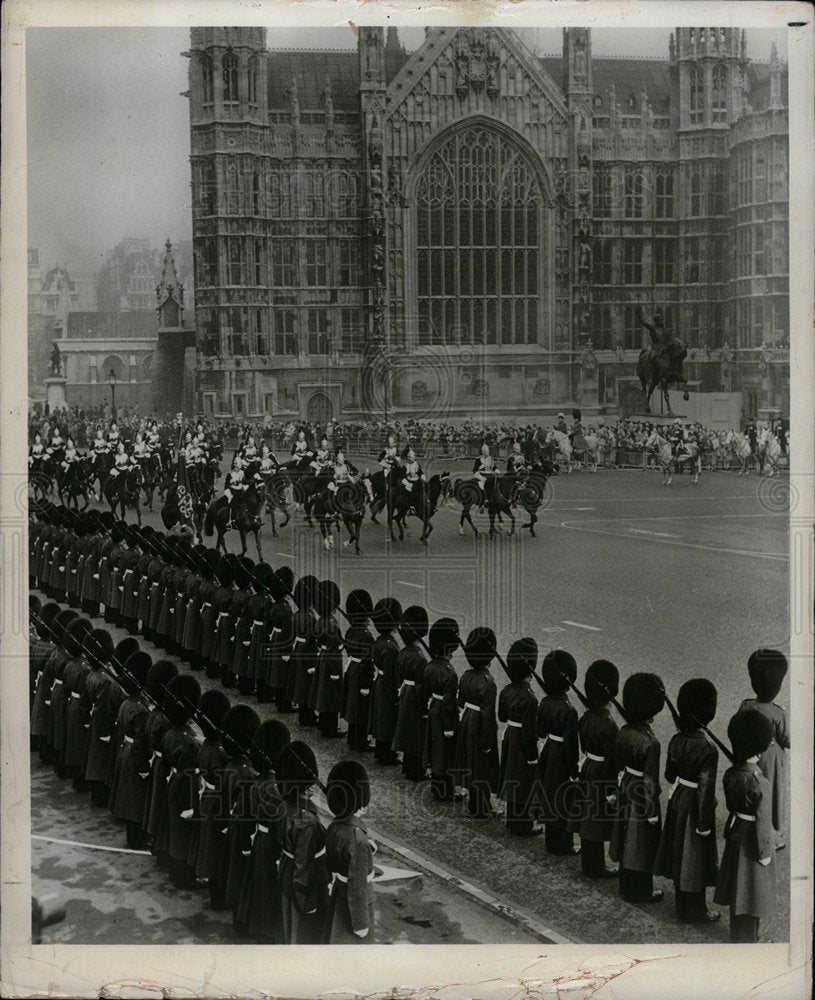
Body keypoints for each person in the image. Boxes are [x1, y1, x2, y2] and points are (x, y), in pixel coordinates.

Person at [654, 679, 721, 923]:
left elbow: (670, 775)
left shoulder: (676, 740)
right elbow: (706, 787)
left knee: (681, 852)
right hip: (695, 804)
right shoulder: (708, 748)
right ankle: (696, 910)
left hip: (679, 798)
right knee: (696, 858)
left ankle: (683, 905)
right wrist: (704, 823)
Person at [713, 709, 777, 943]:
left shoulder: (731, 774)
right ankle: (750, 940)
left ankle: (737, 935)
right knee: (753, 893)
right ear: (759, 750)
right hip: (752, 839)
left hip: (737, 831)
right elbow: (763, 823)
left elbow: (732, 805)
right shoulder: (761, 783)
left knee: (738, 889)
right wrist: (765, 853)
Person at [609, 672, 666, 904]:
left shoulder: (623, 733)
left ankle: (626, 885)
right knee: (642, 844)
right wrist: (652, 812)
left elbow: (616, 765)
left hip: (626, 787)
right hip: (642, 796)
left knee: (625, 837)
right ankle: (641, 891)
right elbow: (650, 781)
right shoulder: (651, 742)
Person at [277, 740, 331, 943]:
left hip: (286, 871)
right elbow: (304, 867)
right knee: (304, 932)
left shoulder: (286, 805)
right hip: (307, 883)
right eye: (309, 785)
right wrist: (307, 901)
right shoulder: (306, 819)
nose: (313, 788)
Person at [737, 649, 789, 851]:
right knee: (775, 794)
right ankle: (775, 834)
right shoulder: (778, 712)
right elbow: (787, 739)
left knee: (751, 788)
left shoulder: (746, 705)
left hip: (750, 755)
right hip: (773, 761)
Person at [574, 660, 620, 878]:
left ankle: (589, 863)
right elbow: (613, 759)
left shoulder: (586, 717)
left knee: (588, 817)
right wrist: (612, 788)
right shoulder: (609, 724)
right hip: (601, 773)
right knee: (598, 819)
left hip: (588, 766)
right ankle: (596, 867)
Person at [323, 759, 376, 943]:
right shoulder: (358, 841)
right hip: (356, 905)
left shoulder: (335, 826)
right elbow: (358, 887)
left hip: (338, 892)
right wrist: (361, 923)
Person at [535, 649, 580, 856]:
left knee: (549, 795)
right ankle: (564, 844)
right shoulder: (569, 709)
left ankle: (552, 842)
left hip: (548, 751)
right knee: (562, 800)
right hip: (561, 755)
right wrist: (574, 770)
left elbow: (540, 731)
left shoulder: (544, 702)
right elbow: (572, 744)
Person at [456, 627, 500, 819]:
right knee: (482, 766)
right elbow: (488, 715)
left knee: (471, 764)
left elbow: (460, 701)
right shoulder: (488, 682)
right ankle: (481, 807)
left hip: (467, 720)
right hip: (479, 725)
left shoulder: (466, 675)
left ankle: (476, 803)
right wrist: (487, 741)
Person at [497, 638, 540, 835]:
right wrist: (533, 756)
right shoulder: (530, 697)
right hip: (522, 741)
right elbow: (530, 732)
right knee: (523, 782)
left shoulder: (507, 690)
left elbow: (501, 716)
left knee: (511, 777)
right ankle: (523, 825)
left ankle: (511, 820)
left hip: (510, 737)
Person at [422, 617, 461, 803]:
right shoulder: (449, 672)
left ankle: (436, 788)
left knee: (435, 751)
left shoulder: (430, 667)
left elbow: (425, 691)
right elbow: (450, 702)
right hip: (444, 715)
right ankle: (446, 792)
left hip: (433, 710)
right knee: (446, 755)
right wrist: (450, 725)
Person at [392, 605, 430, 782]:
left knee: (407, 732)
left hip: (405, 693)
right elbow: (423, 685)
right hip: (415, 697)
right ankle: (416, 771)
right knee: (417, 736)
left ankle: (408, 767)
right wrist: (424, 708)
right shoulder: (420, 658)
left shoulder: (402, 653)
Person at [369, 597, 402, 766]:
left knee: (382, 719)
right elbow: (391, 675)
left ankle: (381, 750)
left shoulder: (380, 641)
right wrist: (395, 696)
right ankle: (386, 754)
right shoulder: (390, 647)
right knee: (387, 721)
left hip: (380, 682)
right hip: (386, 685)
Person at [224, 456, 247, 528]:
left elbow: (245, 482)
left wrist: (244, 486)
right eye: (235, 463)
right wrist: (229, 494)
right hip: (232, 491)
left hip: (241, 491)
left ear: (240, 464)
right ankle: (230, 521)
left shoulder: (243, 473)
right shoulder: (230, 474)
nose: (236, 465)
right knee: (232, 503)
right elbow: (226, 485)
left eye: (238, 464)